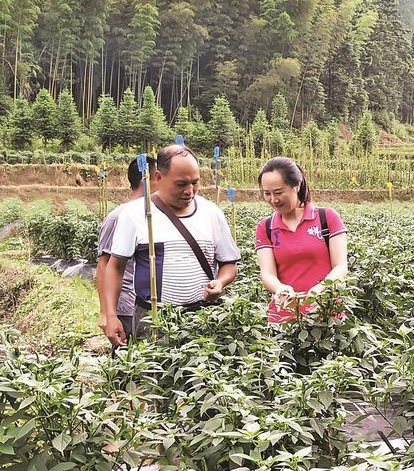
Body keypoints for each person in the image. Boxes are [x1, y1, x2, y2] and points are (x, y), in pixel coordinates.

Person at [101, 144, 239, 347]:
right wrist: (110, 315)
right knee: (152, 374)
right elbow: (115, 267)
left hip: (202, 317)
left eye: (195, 183)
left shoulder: (212, 213)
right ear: (158, 177)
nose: (189, 191)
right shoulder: (134, 214)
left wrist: (221, 282)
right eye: (181, 184)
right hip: (153, 318)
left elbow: (229, 264)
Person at [254, 157, 347, 324]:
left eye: (279, 192)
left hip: (326, 313)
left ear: (296, 186)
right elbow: (267, 274)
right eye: (267, 194)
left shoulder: (327, 218)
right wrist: (279, 288)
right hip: (284, 316)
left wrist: (319, 291)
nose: (273, 200)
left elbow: (340, 267)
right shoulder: (265, 228)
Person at [95, 155, 156, 342]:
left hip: (148, 304)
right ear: (148, 179)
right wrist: (106, 314)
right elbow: (103, 265)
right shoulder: (119, 217)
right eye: (160, 177)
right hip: (127, 307)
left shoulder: (156, 214)